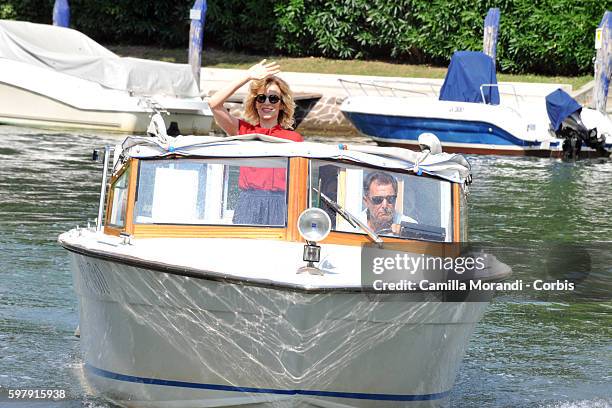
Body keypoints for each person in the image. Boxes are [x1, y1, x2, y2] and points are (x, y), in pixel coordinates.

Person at [207, 60, 303, 225]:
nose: (267, 102)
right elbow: (214, 103)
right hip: (248, 201)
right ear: (255, 103)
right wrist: (247, 76)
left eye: (273, 98)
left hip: (281, 203)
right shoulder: (243, 131)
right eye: (261, 98)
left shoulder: (294, 139)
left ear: (281, 105)